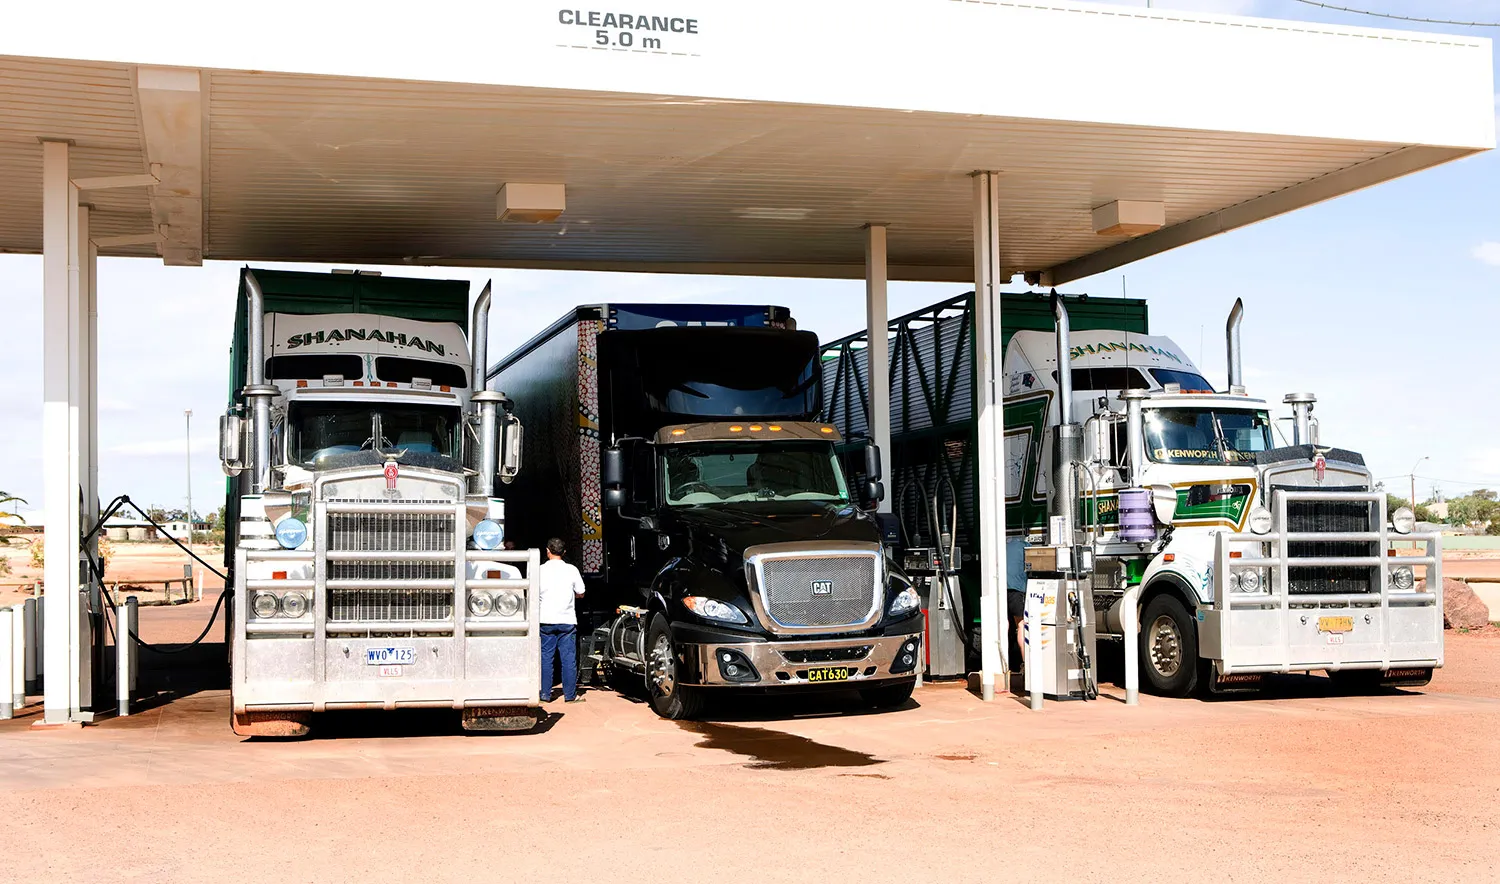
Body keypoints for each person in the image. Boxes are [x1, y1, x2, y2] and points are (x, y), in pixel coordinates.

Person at [538, 537, 586, 703]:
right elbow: (581, 592)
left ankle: (545, 694)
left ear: (548, 551)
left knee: (546, 658)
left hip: (545, 620)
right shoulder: (571, 570)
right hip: (567, 621)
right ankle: (570, 695)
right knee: (568, 659)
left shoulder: (539, 570)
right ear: (564, 552)